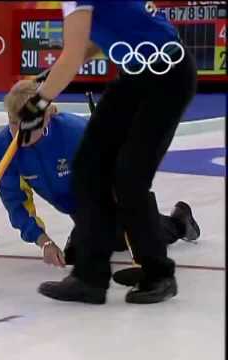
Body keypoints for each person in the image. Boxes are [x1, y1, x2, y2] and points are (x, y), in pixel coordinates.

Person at [16, 1, 197, 304]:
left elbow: (72, 56)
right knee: (89, 167)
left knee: (129, 177)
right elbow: (89, 43)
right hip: (137, 75)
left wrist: (37, 104)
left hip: (168, 77)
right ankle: (89, 277)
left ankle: (159, 273)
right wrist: (48, 77)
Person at [0, 80, 200, 269]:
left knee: (123, 235)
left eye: (29, 125)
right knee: (90, 248)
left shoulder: (74, 133)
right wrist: (43, 240)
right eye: (13, 123)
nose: (20, 133)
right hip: (76, 205)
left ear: (46, 118)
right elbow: (15, 201)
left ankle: (179, 223)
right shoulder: (3, 148)